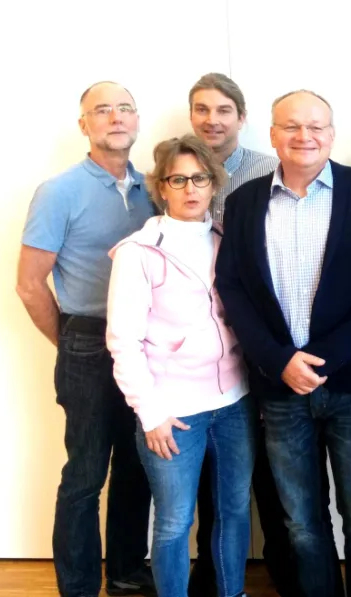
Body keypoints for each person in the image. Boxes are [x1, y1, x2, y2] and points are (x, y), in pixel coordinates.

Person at [214, 89, 351, 597]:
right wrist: (278, 362)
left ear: (332, 134)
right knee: (301, 521)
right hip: (279, 390)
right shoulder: (243, 202)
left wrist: (325, 358)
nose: (305, 136)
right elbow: (231, 287)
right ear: (272, 135)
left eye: (316, 126)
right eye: (292, 126)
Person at [185, 72, 341, 597]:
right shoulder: (176, 168)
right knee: (221, 479)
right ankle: (216, 579)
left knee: (280, 487)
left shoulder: (262, 174)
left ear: (244, 120)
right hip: (215, 356)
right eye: (202, 109)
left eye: (223, 109)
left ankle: (289, 579)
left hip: (270, 354)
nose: (213, 120)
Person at [15, 81, 155, 597]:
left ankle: (124, 572)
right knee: (86, 475)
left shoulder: (155, 188)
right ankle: (76, 586)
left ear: (137, 121)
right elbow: (30, 285)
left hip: (144, 347)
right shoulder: (59, 191)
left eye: (125, 109)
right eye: (102, 110)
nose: (115, 118)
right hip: (87, 344)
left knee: (138, 468)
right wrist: (71, 344)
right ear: (84, 125)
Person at [105, 134, 255, 597]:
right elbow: (122, 341)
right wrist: (150, 414)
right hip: (173, 415)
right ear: (162, 187)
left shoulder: (226, 239)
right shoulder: (137, 252)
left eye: (200, 178)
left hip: (234, 405)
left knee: (232, 513)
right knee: (173, 522)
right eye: (178, 179)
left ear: (214, 184)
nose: (191, 188)